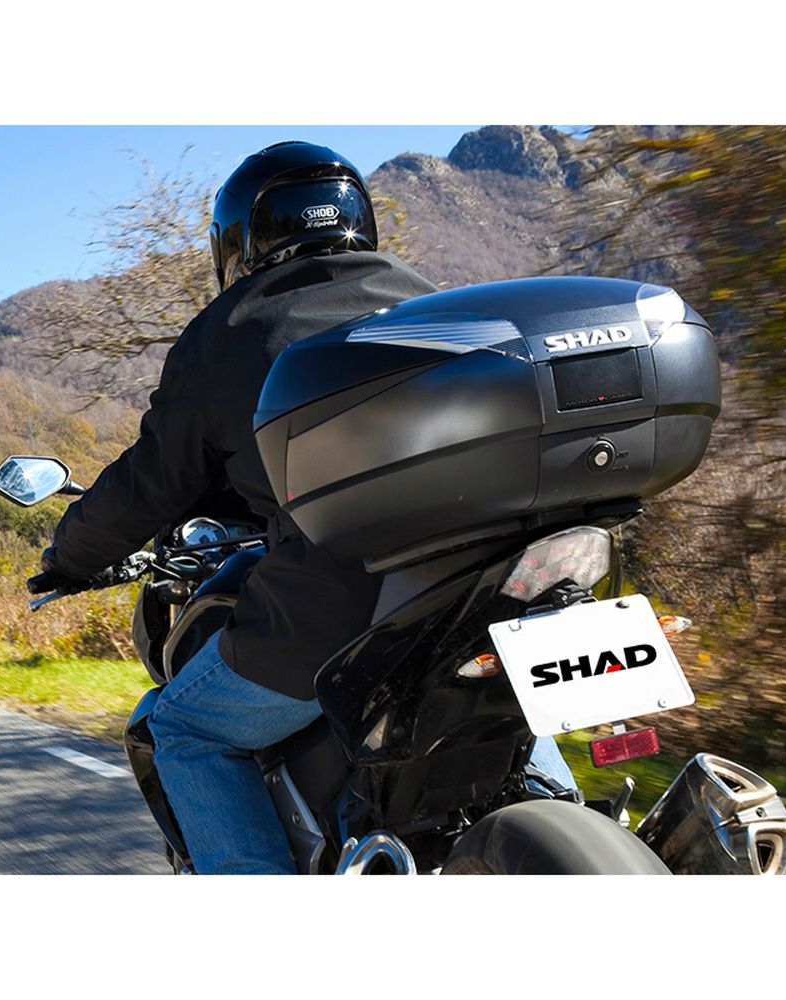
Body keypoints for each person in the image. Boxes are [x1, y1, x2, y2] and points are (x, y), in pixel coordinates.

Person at [37, 141, 576, 874]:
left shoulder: (232, 329)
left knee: (186, 730)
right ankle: (569, 821)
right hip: (498, 575)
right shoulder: (426, 300)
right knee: (507, 693)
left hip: (346, 608)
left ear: (240, 241)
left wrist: (69, 557)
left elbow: (151, 482)